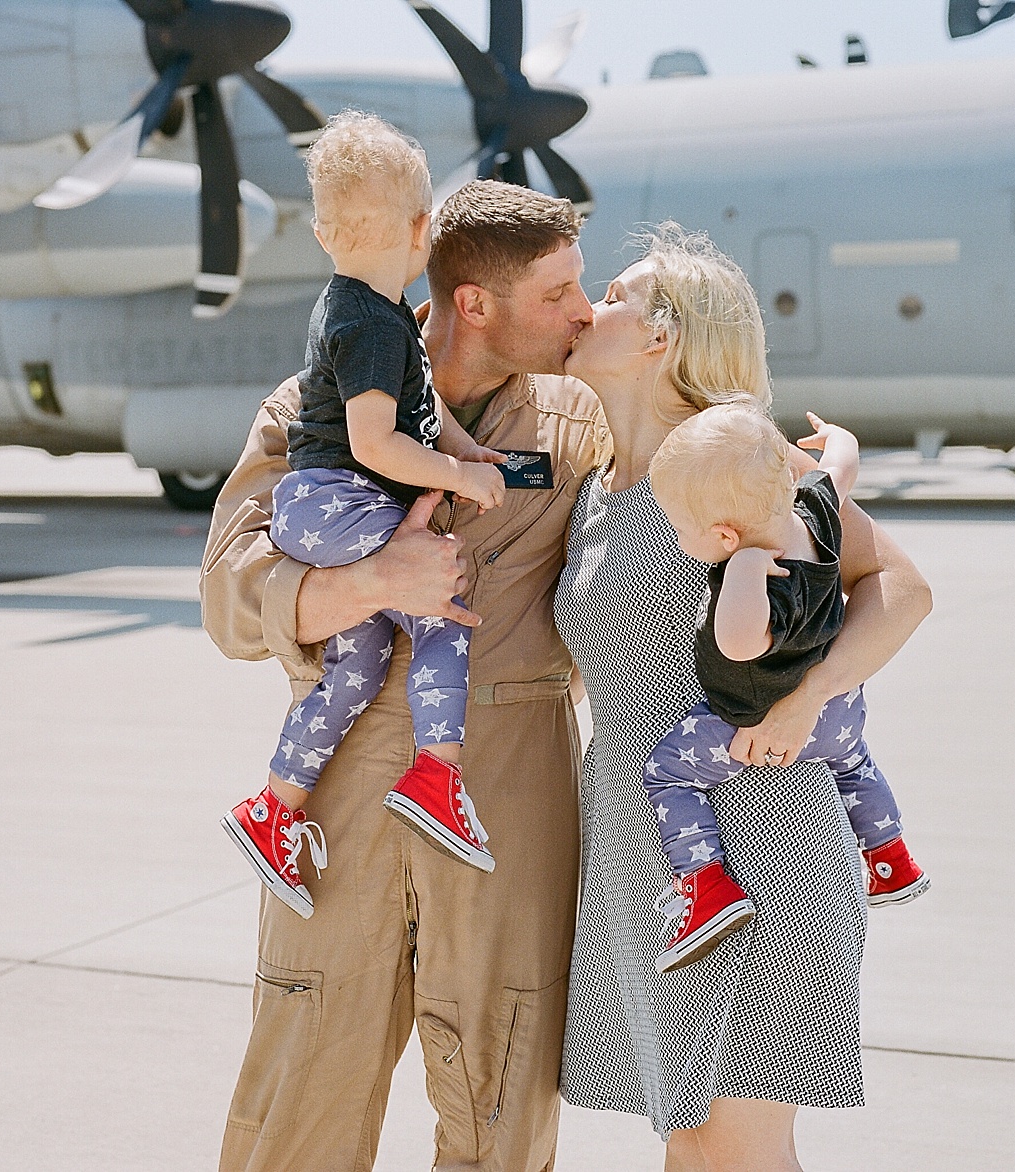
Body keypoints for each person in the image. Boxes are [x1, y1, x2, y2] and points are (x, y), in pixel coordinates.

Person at [202, 179, 603, 1172]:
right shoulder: (312, 410)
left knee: (500, 1090)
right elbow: (226, 595)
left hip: (508, 780)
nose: (581, 313)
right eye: (556, 294)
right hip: (343, 776)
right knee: (307, 1068)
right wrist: (371, 581)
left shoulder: (578, 424)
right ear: (475, 301)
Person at [554, 223, 932, 1172]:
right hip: (652, 864)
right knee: (702, 1150)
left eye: (613, 294)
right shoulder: (600, 487)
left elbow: (902, 588)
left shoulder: (733, 458)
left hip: (763, 850)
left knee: (733, 1153)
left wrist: (810, 699)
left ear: (661, 337)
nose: (585, 307)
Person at [221, 111, 508, 916]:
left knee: (359, 661)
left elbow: (421, 410)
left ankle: (274, 808)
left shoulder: (369, 312)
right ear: (423, 230)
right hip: (335, 500)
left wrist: (463, 449)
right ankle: (437, 775)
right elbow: (378, 442)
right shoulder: (373, 324)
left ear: (322, 233)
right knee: (439, 606)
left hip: (318, 508)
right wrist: (456, 473)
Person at [641, 402, 930, 973]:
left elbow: (740, 644)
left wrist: (744, 571)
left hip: (754, 720)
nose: (679, 538)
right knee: (854, 764)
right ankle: (889, 855)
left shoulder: (754, 570)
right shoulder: (817, 511)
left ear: (723, 532)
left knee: (669, 769)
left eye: (680, 529)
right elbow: (841, 467)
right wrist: (838, 437)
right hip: (838, 712)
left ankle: (705, 884)